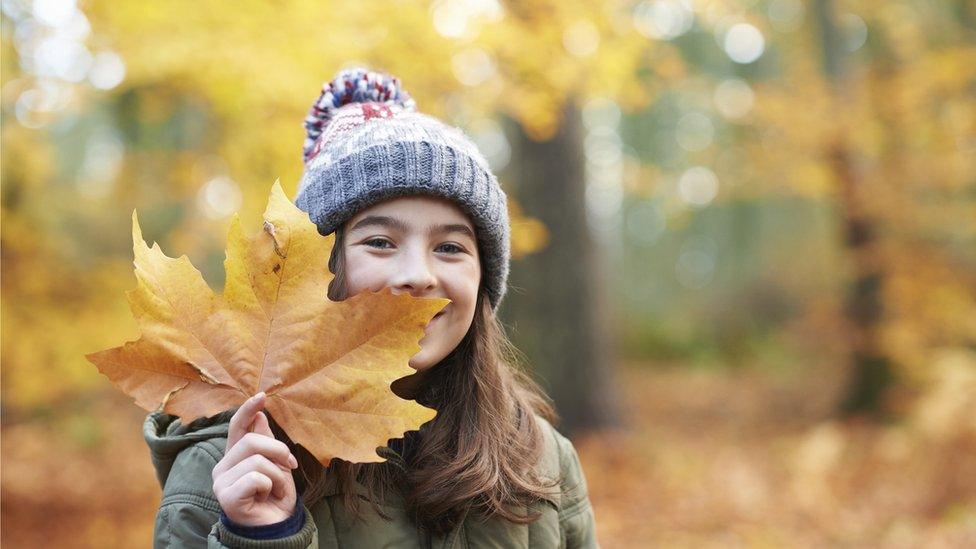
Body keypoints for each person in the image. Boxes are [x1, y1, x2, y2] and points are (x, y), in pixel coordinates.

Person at [145, 67, 598, 548]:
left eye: (450, 248)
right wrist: (265, 537)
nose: (418, 275)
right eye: (381, 242)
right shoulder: (232, 469)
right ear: (319, 269)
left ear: (483, 280)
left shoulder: (540, 459)